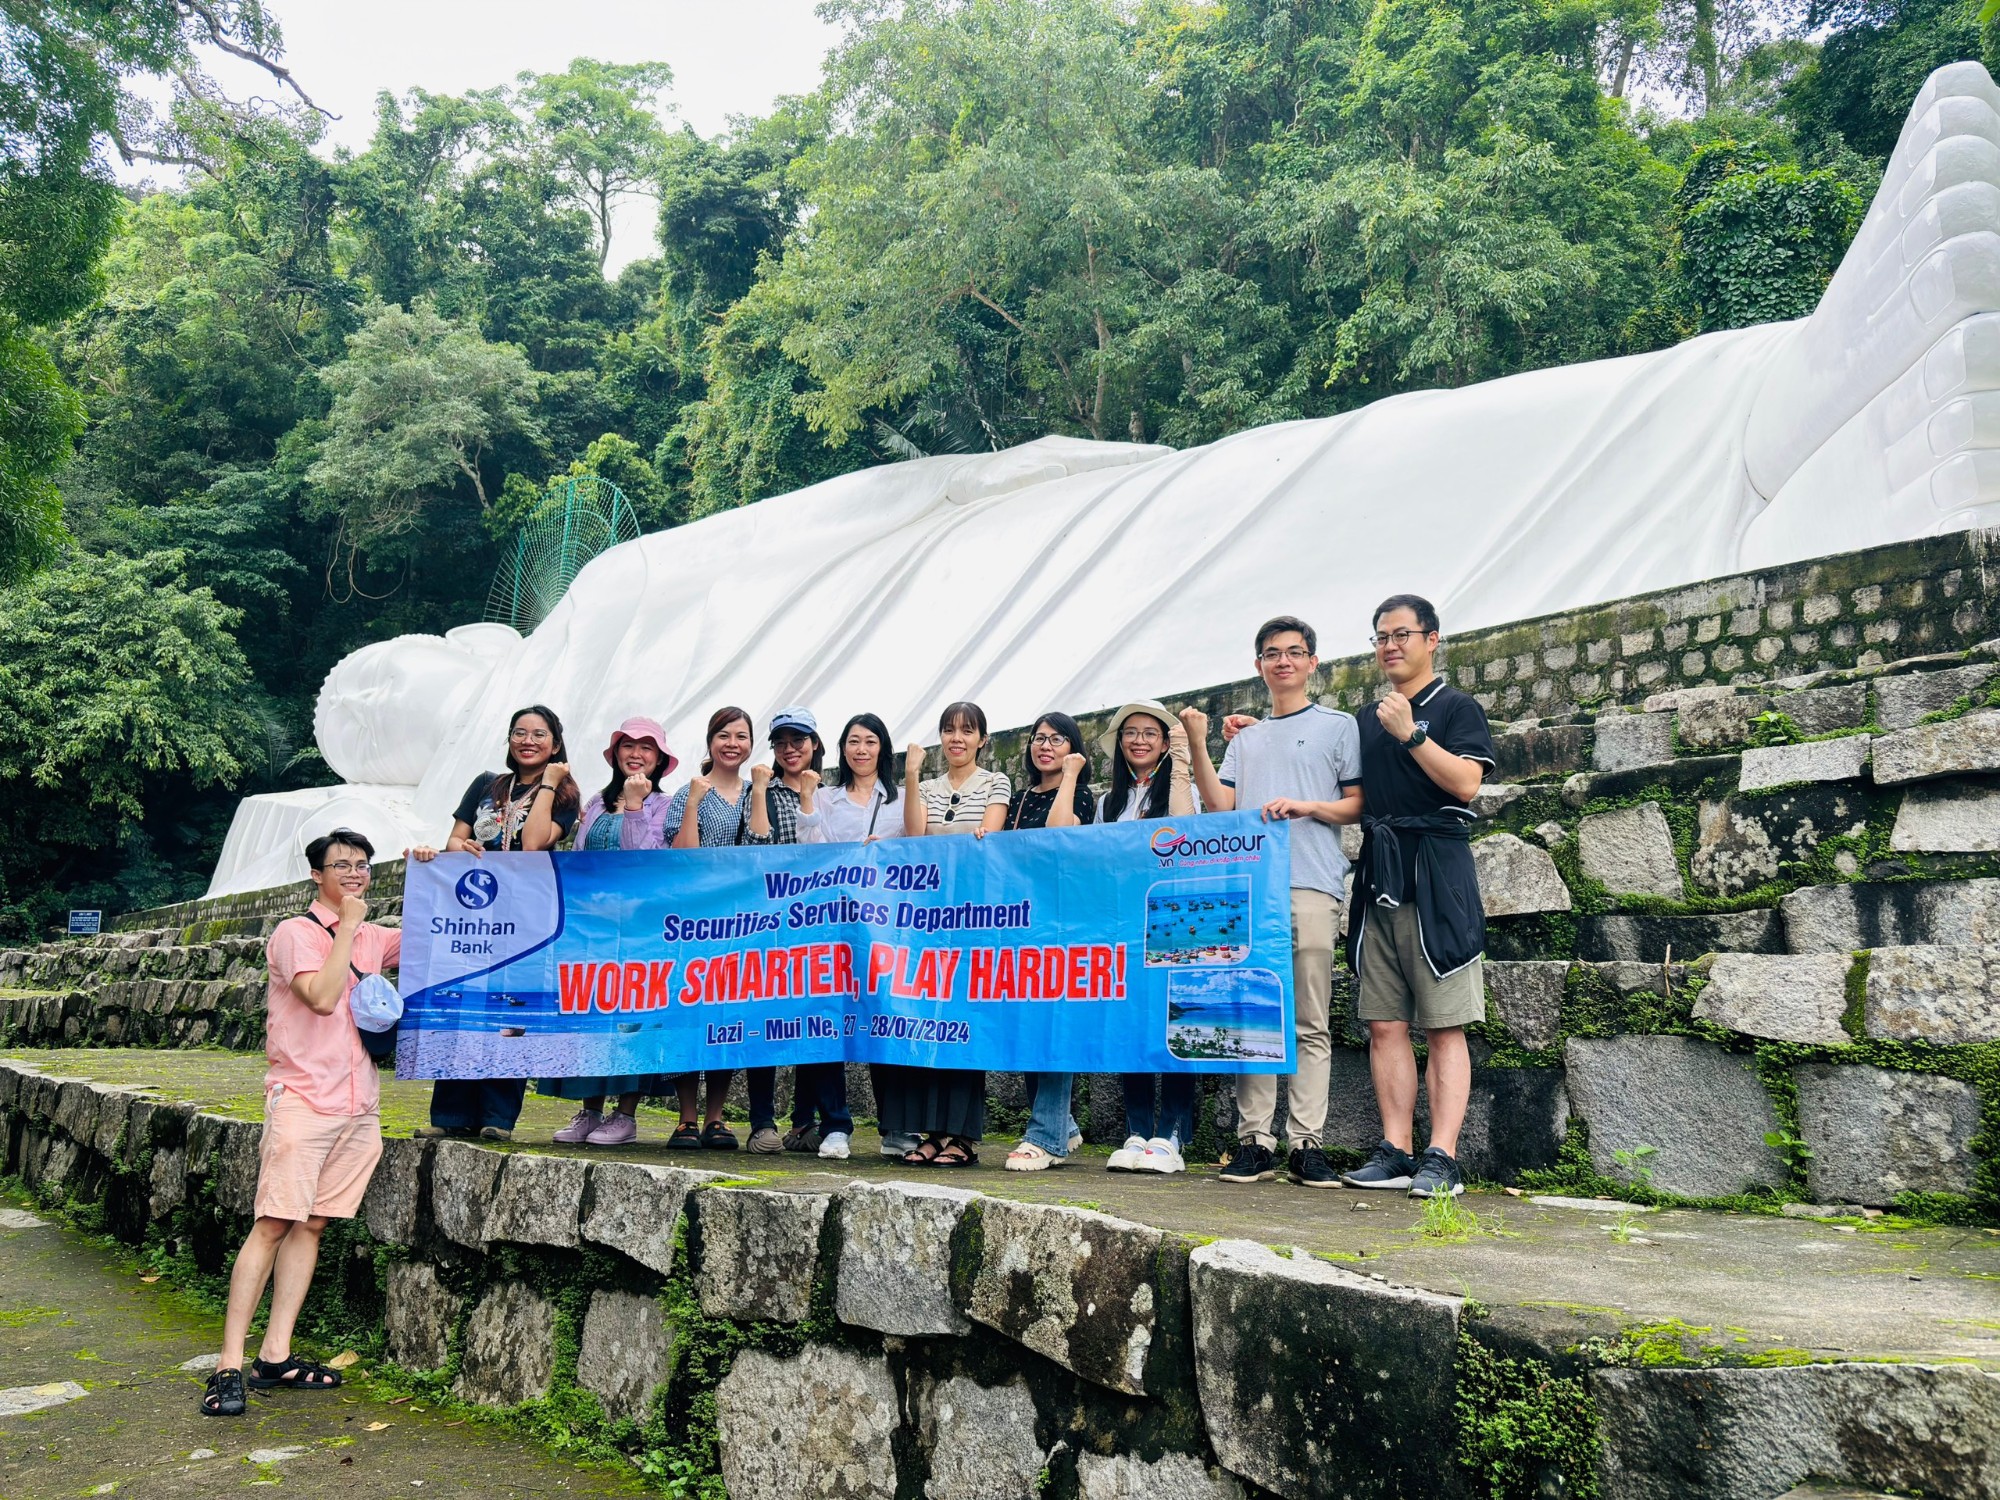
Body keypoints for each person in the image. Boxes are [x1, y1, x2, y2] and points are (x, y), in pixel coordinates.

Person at [201, 829, 399, 1418]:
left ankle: (275, 1354)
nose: (355, 873)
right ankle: (228, 1365)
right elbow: (319, 995)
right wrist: (348, 929)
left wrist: (439, 861)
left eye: (363, 865)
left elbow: (439, 930)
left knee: (312, 1225)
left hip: (357, 1104)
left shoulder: (370, 934)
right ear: (317, 875)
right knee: (272, 1224)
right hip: (304, 1101)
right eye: (342, 865)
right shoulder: (295, 934)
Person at [1183, 617, 1363, 1189]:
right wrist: (1196, 741)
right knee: (1252, 1015)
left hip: (1312, 883)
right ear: (1258, 665)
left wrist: (1308, 806)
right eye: (1271, 653)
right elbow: (1220, 805)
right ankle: (1254, 1139)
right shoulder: (1246, 738)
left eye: (1294, 652)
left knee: (1310, 1019)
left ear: (1313, 662)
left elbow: (1357, 804)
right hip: (1250, 892)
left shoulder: (1339, 727)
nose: (1282, 661)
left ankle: (1306, 1142)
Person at [1339, 595, 1495, 1200]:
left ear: (1433, 639)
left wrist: (1409, 735)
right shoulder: (1363, 718)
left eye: (1402, 634)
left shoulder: (1456, 707)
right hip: (1378, 873)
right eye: (1380, 636)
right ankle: (1397, 1149)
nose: (1389, 645)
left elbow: (1466, 783)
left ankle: (1443, 1157)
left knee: (1445, 1025)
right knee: (1384, 1023)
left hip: (1437, 875)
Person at [410, 704, 580, 1142]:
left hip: (526, 919)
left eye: (539, 734)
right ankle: (450, 1114)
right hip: (473, 914)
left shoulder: (564, 794)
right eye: (519, 732)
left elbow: (532, 844)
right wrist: (449, 850)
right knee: (462, 1006)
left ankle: (497, 1117)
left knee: (511, 1009)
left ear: (556, 744)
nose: (528, 740)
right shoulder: (487, 785)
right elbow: (455, 838)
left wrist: (547, 783)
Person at [540, 718, 681, 1147]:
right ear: (616, 753)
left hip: (639, 929)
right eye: (628, 746)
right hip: (591, 928)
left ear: (659, 759)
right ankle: (589, 1109)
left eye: (647, 748)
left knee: (631, 1018)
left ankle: (626, 1114)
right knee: (589, 1014)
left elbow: (646, 861)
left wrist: (636, 807)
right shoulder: (598, 803)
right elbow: (579, 856)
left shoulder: (664, 804)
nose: (636, 754)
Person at [883, 701, 1010, 1167]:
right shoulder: (927, 786)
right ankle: (931, 1133)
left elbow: (986, 836)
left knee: (963, 1020)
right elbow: (917, 836)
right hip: (924, 919)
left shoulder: (997, 781)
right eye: (949, 730)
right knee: (925, 1015)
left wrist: (950, 839)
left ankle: (962, 1135)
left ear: (982, 739)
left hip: (972, 916)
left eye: (967, 730)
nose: (957, 738)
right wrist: (912, 776)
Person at [1093, 700, 1202, 1176]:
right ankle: (1136, 1129)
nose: (1139, 740)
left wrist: (1181, 762)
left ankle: (1173, 1134)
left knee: (1176, 1023)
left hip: (1174, 918)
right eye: (1129, 733)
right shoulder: (1108, 802)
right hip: (1123, 922)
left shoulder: (1187, 788)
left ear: (1164, 742)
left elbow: (1184, 828)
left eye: (1149, 733)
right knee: (1132, 1024)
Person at [793, 712, 906, 1159]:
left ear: (883, 749)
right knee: (828, 1018)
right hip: (832, 924)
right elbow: (810, 851)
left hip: (884, 927)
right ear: (841, 749)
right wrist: (806, 800)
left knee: (885, 1016)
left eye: (870, 741)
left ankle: (894, 1125)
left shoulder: (898, 800)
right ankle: (835, 1124)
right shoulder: (826, 796)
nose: (861, 750)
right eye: (853, 741)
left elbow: (919, 845)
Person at [661, 706, 775, 1150]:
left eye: (742, 736)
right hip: (691, 920)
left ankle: (716, 1116)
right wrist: (691, 801)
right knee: (688, 1015)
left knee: (726, 1017)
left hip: (738, 923)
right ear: (710, 741)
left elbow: (761, 846)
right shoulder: (688, 791)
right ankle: (686, 1118)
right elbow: (681, 853)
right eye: (724, 735)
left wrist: (761, 791)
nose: (733, 744)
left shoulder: (753, 791)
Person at [998, 712, 1095, 1173]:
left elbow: (1060, 835)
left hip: (1063, 924)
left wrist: (1071, 775)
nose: (1046, 747)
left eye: (1058, 740)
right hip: (1020, 924)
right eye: (1039, 739)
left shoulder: (1083, 796)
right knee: (1028, 1028)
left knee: (1055, 1021)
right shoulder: (1017, 800)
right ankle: (1063, 1123)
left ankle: (1046, 1135)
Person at [737, 706, 824, 1154]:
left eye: (799, 741)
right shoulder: (764, 792)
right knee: (764, 1021)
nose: (791, 749)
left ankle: (804, 1120)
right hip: (769, 922)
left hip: (819, 924)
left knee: (814, 1022)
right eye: (782, 742)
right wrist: (757, 788)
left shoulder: (830, 793)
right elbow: (755, 845)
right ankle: (761, 1121)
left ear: (814, 743)